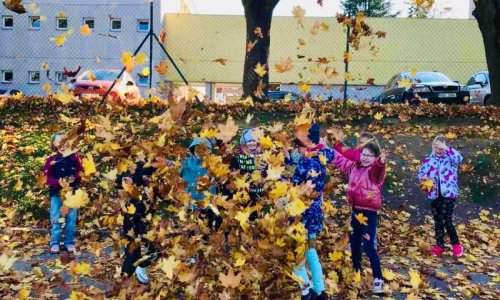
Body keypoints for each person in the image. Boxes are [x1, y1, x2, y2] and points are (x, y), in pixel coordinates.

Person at [286, 124, 334, 300]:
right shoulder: (323, 156)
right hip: (315, 211)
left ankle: (306, 290)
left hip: (301, 212)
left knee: (296, 252)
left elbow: (293, 184)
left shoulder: (305, 162)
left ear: (306, 144)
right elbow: (330, 151)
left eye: (299, 145)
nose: (297, 149)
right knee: (311, 251)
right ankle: (320, 290)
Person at [333, 141, 386, 295]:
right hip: (355, 212)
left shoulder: (374, 172)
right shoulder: (354, 167)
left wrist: (380, 163)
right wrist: (326, 147)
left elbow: (378, 171)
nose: (365, 158)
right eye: (364, 154)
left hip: (369, 214)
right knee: (355, 244)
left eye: (370, 156)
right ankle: (356, 273)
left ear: (375, 158)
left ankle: (378, 281)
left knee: (369, 246)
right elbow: (339, 159)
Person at [417, 134, 464, 257]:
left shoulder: (451, 159)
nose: (439, 150)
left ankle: (456, 244)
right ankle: (439, 245)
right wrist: (423, 177)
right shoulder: (428, 160)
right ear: (433, 147)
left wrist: (447, 149)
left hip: (449, 194)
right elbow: (421, 173)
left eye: (441, 148)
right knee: (438, 220)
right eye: (436, 147)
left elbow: (459, 159)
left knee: (446, 219)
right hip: (434, 194)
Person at [42, 132, 83, 254]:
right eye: (59, 141)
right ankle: (55, 243)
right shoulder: (51, 160)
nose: (62, 144)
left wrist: (74, 178)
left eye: (65, 141)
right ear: (54, 144)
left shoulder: (74, 157)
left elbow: (81, 171)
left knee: (71, 219)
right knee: (56, 218)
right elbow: (47, 177)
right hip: (56, 194)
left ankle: (69, 242)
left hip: (72, 193)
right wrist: (58, 182)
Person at [120, 162, 159, 284]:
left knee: (156, 249)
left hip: (145, 219)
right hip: (131, 217)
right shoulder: (137, 163)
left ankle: (140, 267)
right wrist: (129, 179)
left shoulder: (159, 168)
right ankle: (126, 278)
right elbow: (123, 177)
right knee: (132, 250)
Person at [181, 138, 220, 231]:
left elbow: (220, 178)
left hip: (208, 203)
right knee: (192, 230)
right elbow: (173, 167)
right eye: (197, 148)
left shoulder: (213, 163)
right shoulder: (186, 162)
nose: (199, 151)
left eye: (203, 149)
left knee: (207, 228)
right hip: (191, 202)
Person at [230, 129, 266, 220]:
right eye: (249, 141)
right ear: (245, 143)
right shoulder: (239, 157)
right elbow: (237, 172)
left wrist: (264, 169)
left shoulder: (261, 155)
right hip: (245, 189)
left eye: (254, 140)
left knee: (258, 210)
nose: (252, 143)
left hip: (259, 188)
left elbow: (266, 171)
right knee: (246, 210)